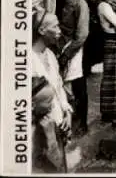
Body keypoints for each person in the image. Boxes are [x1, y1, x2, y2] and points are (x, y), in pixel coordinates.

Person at [32, 10, 81, 172]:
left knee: (59, 166)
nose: (60, 30)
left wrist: (66, 111)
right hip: (39, 132)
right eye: (56, 26)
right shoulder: (27, 62)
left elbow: (59, 87)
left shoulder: (50, 55)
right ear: (41, 31)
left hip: (58, 124)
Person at [58, 0, 90, 136]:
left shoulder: (80, 4)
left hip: (74, 48)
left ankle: (82, 122)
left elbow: (82, 34)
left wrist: (67, 54)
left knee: (78, 85)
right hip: (62, 45)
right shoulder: (64, 1)